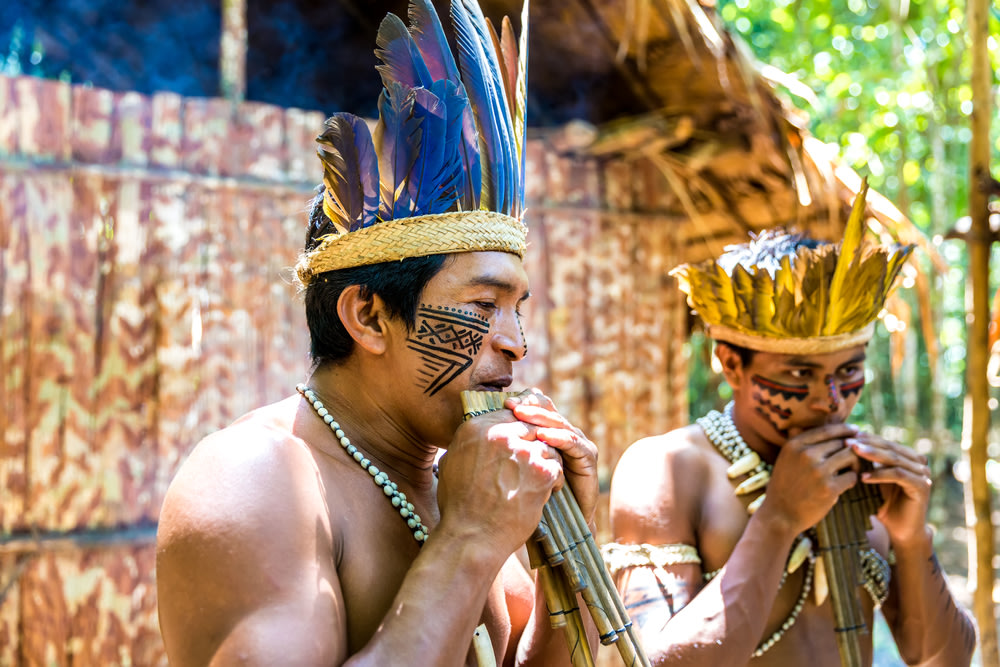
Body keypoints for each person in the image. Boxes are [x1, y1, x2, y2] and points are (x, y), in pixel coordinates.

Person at [155, 1, 600, 665]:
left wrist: (575, 558)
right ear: (367, 316)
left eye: (518, 308)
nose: (516, 343)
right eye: (482, 305)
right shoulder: (260, 476)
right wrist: (468, 539)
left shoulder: (461, 478)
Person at [603, 185, 977, 666]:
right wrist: (778, 518)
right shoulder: (670, 469)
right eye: (800, 374)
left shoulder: (864, 476)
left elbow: (944, 660)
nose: (831, 400)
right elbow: (649, 663)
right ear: (730, 364)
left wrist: (911, 538)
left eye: (849, 371)